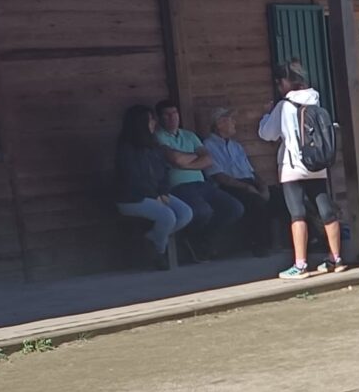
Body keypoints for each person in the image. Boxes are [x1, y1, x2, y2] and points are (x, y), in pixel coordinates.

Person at [258, 61, 347, 278]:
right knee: (326, 211)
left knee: (297, 214)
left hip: (292, 167)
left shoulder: (283, 106)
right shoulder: (315, 101)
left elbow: (267, 134)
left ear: (284, 82)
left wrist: (266, 116)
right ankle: (336, 259)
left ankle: (300, 265)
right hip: (317, 164)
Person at [154, 100, 244, 254]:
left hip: (202, 184)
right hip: (178, 186)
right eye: (167, 115)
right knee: (202, 211)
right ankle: (192, 241)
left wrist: (184, 163)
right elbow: (175, 159)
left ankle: (203, 239)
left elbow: (208, 159)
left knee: (234, 208)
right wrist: (195, 157)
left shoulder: (189, 135)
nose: (172, 117)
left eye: (174, 113)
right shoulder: (157, 136)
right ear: (159, 118)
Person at [113, 103, 191, 268]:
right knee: (167, 216)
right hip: (132, 198)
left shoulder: (154, 146)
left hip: (156, 194)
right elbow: (133, 178)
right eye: (150, 120)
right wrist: (155, 196)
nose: (154, 123)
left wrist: (163, 192)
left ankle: (151, 237)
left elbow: (164, 172)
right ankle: (159, 253)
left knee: (185, 213)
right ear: (140, 123)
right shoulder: (126, 149)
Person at [201, 106, 274, 253]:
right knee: (255, 202)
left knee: (280, 197)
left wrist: (263, 186)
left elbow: (251, 171)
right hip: (230, 186)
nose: (234, 123)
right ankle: (259, 245)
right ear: (220, 124)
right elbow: (219, 177)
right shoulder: (208, 145)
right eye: (231, 120)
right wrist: (247, 188)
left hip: (249, 182)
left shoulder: (236, 146)